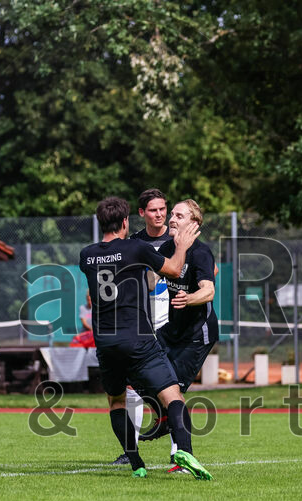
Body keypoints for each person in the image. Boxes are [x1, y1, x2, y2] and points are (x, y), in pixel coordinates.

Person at [79, 195, 212, 480]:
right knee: (172, 394)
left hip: (105, 342)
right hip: (138, 338)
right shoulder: (136, 248)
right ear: (126, 222)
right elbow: (173, 269)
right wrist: (182, 247)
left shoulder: (87, 255)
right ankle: (184, 450)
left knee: (117, 401)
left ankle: (136, 463)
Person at [143, 199, 219, 471]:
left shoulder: (201, 252)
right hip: (170, 331)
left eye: (179, 215)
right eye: (172, 214)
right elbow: (150, 280)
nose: (171, 219)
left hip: (196, 334)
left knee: (172, 390)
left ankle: (182, 455)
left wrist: (190, 298)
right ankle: (165, 419)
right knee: (142, 372)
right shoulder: (167, 248)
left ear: (194, 223)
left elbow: (208, 291)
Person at [109, 189, 173, 466]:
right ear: (141, 213)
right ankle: (130, 451)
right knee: (130, 386)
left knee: (173, 387)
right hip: (140, 324)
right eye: (153, 210)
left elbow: (210, 269)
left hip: (172, 324)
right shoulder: (133, 243)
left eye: (162, 209)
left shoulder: (178, 238)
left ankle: (178, 452)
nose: (159, 214)